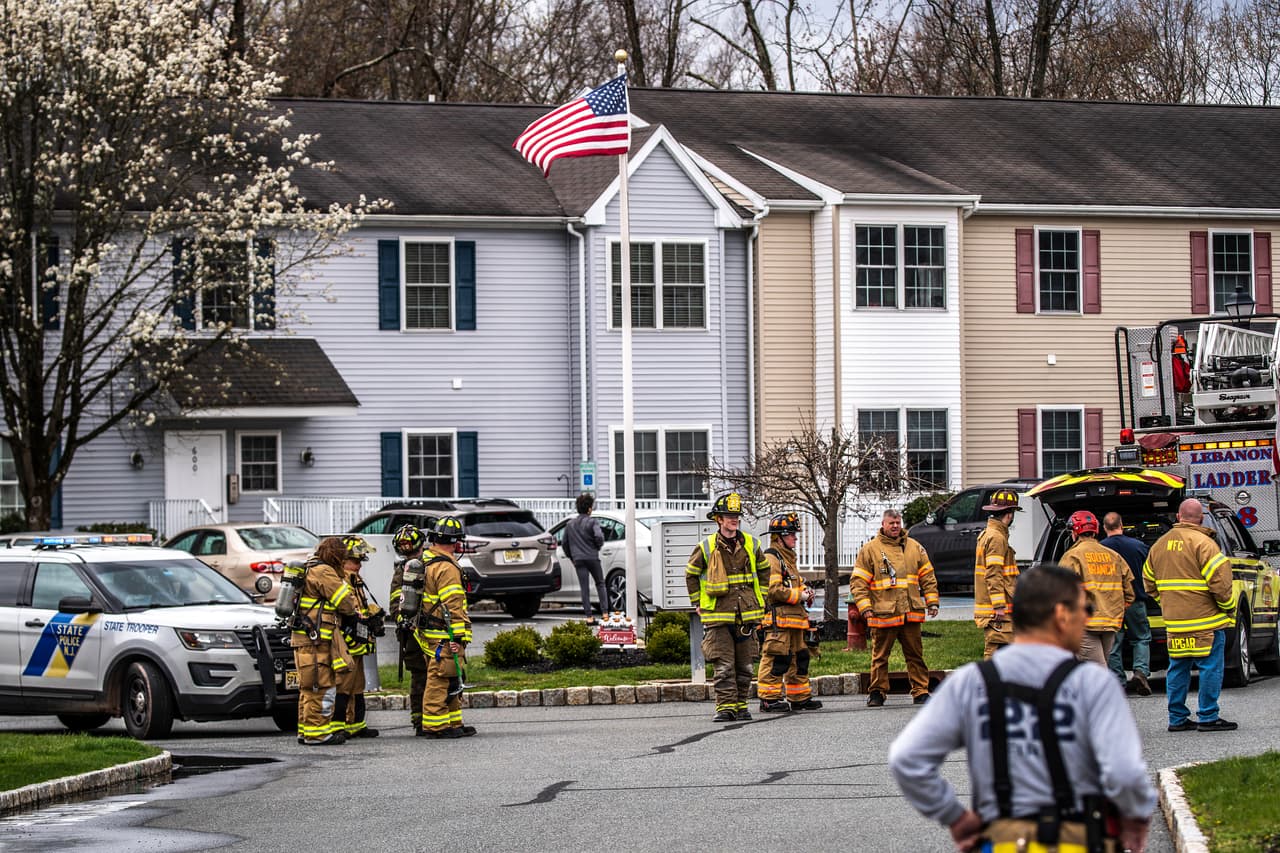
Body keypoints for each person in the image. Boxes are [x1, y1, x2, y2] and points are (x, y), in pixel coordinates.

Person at [888, 565, 1156, 853]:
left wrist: (954, 817)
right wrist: (1136, 817)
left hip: (999, 841)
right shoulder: (1093, 683)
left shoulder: (971, 682)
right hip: (1076, 839)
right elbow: (1124, 773)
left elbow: (907, 759)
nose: (1088, 618)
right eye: (1086, 608)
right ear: (1062, 615)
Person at [1144, 498, 1239, 732]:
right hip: (1207, 622)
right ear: (1201, 518)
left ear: (1178, 517)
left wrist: (1167, 603)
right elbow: (1220, 585)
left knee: (1177, 667)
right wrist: (1227, 606)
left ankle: (1177, 719)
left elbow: (1148, 582)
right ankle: (1208, 716)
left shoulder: (1159, 545)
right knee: (1209, 667)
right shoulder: (1205, 544)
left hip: (1175, 623)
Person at [686, 492, 768, 722]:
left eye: (736, 515)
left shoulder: (751, 544)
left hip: (746, 615)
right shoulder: (706, 547)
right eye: (729, 516)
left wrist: (760, 599)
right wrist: (697, 603)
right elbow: (691, 574)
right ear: (718, 520)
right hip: (718, 616)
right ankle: (725, 708)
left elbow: (764, 572)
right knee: (723, 665)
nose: (734, 519)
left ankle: (741, 706)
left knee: (745, 666)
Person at [852, 508, 939, 707]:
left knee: (915, 655)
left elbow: (928, 576)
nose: (895, 526)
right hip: (884, 614)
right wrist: (865, 607)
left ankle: (920, 691)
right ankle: (877, 692)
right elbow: (858, 582)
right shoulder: (870, 550)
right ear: (883, 524)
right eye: (891, 523)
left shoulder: (915, 548)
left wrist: (932, 601)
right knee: (880, 657)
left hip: (910, 613)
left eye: (898, 522)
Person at [291, 536, 358, 745]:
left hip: (305, 638)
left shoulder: (309, 567)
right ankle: (318, 734)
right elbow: (345, 603)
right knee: (320, 685)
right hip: (317, 639)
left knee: (307, 687)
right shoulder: (324, 571)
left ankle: (306, 730)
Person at [413, 516, 476, 739]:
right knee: (440, 678)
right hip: (444, 633)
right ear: (455, 542)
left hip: (430, 631)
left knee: (451, 676)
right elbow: (453, 604)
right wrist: (458, 636)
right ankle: (435, 726)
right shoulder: (446, 567)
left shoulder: (427, 560)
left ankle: (453, 722)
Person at [756, 512, 822, 713]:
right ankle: (769, 699)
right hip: (779, 622)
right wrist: (798, 595)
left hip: (794, 621)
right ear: (780, 536)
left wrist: (806, 591)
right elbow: (774, 591)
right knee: (777, 659)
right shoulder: (772, 558)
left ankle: (799, 697)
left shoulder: (788, 558)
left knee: (800, 659)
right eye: (792, 534)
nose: (795, 538)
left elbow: (794, 583)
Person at [1057, 511, 1133, 667]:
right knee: (1095, 668)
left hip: (1085, 624)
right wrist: (1115, 610)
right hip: (1110, 623)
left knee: (1097, 670)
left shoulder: (1072, 556)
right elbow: (1130, 593)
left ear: (1075, 531)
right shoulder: (1113, 556)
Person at [334, 535, 384, 738]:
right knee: (343, 686)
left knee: (357, 685)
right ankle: (338, 727)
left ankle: (356, 725)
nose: (358, 566)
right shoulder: (340, 579)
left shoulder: (355, 579)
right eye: (355, 561)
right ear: (343, 560)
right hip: (346, 644)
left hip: (359, 643)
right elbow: (345, 609)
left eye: (360, 562)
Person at [1099, 512, 1153, 695]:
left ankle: (1118, 681)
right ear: (1121, 525)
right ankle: (1140, 672)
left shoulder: (1099, 550)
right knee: (1141, 638)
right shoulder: (1139, 546)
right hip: (1136, 601)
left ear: (1104, 527)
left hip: (1111, 604)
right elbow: (1150, 572)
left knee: (1114, 643)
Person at [389, 523, 430, 732]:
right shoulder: (428, 565)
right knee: (429, 674)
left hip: (409, 631)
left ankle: (420, 719)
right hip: (424, 630)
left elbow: (395, 603)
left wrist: (400, 621)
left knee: (419, 675)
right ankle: (424, 718)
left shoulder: (401, 570)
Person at [974, 489, 1021, 659]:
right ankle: (990, 685)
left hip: (995, 607)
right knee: (996, 653)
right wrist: (999, 606)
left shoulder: (990, 534)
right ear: (1009, 515)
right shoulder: (996, 538)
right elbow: (993, 573)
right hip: (998, 610)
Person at [563, 492, 608, 622]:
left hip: (578, 559)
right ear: (589, 509)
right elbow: (599, 537)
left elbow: (565, 543)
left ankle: (589, 616)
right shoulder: (593, 522)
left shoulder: (570, 524)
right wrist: (597, 547)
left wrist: (571, 557)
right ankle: (605, 613)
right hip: (592, 557)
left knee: (584, 587)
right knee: (600, 583)